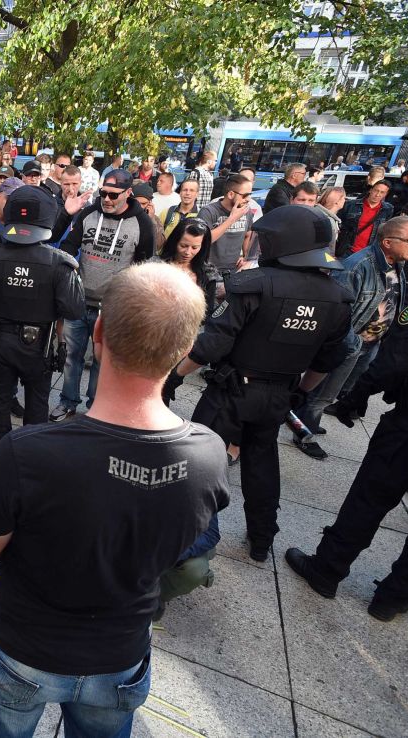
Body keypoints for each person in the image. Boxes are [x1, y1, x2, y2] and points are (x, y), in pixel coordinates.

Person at [0, 262, 229, 738]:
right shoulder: (209, 454)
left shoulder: (27, 452)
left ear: (99, 332)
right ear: (187, 349)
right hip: (119, 656)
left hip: (21, 649)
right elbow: (180, 547)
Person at [162, 206, 352, 562]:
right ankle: (262, 539)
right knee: (262, 463)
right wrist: (299, 394)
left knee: (199, 460)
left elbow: (212, 346)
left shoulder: (254, 285)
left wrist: (175, 377)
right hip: (278, 394)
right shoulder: (337, 298)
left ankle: (186, 533)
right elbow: (328, 361)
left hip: (230, 393)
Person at [287, 267, 408, 621]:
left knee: (373, 493)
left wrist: (356, 395)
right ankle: (394, 598)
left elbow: (402, 355)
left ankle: (327, 569)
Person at [0, 186, 85, 458]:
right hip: (38, 344)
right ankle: (32, 452)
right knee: (37, 401)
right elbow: (74, 309)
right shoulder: (60, 264)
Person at [292, 216, 408, 458]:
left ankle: (307, 416)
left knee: (335, 390)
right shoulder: (357, 265)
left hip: (370, 344)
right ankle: (303, 431)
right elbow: (338, 313)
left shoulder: (397, 263)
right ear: (388, 242)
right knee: (323, 393)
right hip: (349, 344)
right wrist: (350, 344)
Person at [48, 169, 155, 422]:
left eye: (113, 195)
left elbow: (145, 267)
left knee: (102, 361)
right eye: (103, 193)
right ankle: (67, 402)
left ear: (128, 194)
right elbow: (62, 246)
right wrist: (67, 214)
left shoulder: (142, 223)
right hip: (79, 300)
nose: (106, 199)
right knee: (71, 358)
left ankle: (96, 408)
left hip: (112, 307)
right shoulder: (89, 212)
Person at [155, 217, 220, 315]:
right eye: (183, 246)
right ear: (175, 241)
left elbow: (208, 310)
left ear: (202, 247)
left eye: (195, 247)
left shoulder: (208, 273)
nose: (188, 252)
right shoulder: (155, 267)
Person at [198, 173, 256, 281]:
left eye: (250, 195)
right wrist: (231, 219)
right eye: (245, 195)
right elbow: (203, 240)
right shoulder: (208, 211)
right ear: (230, 194)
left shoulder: (246, 211)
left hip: (234, 270)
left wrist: (246, 257)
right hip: (208, 270)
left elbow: (248, 235)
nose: (248, 199)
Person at [338, 180, 392, 256]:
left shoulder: (387, 209)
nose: (378, 194)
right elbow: (338, 225)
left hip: (368, 253)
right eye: (376, 190)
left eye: (382, 192)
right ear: (371, 190)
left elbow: (384, 232)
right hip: (347, 251)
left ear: (385, 194)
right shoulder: (351, 205)